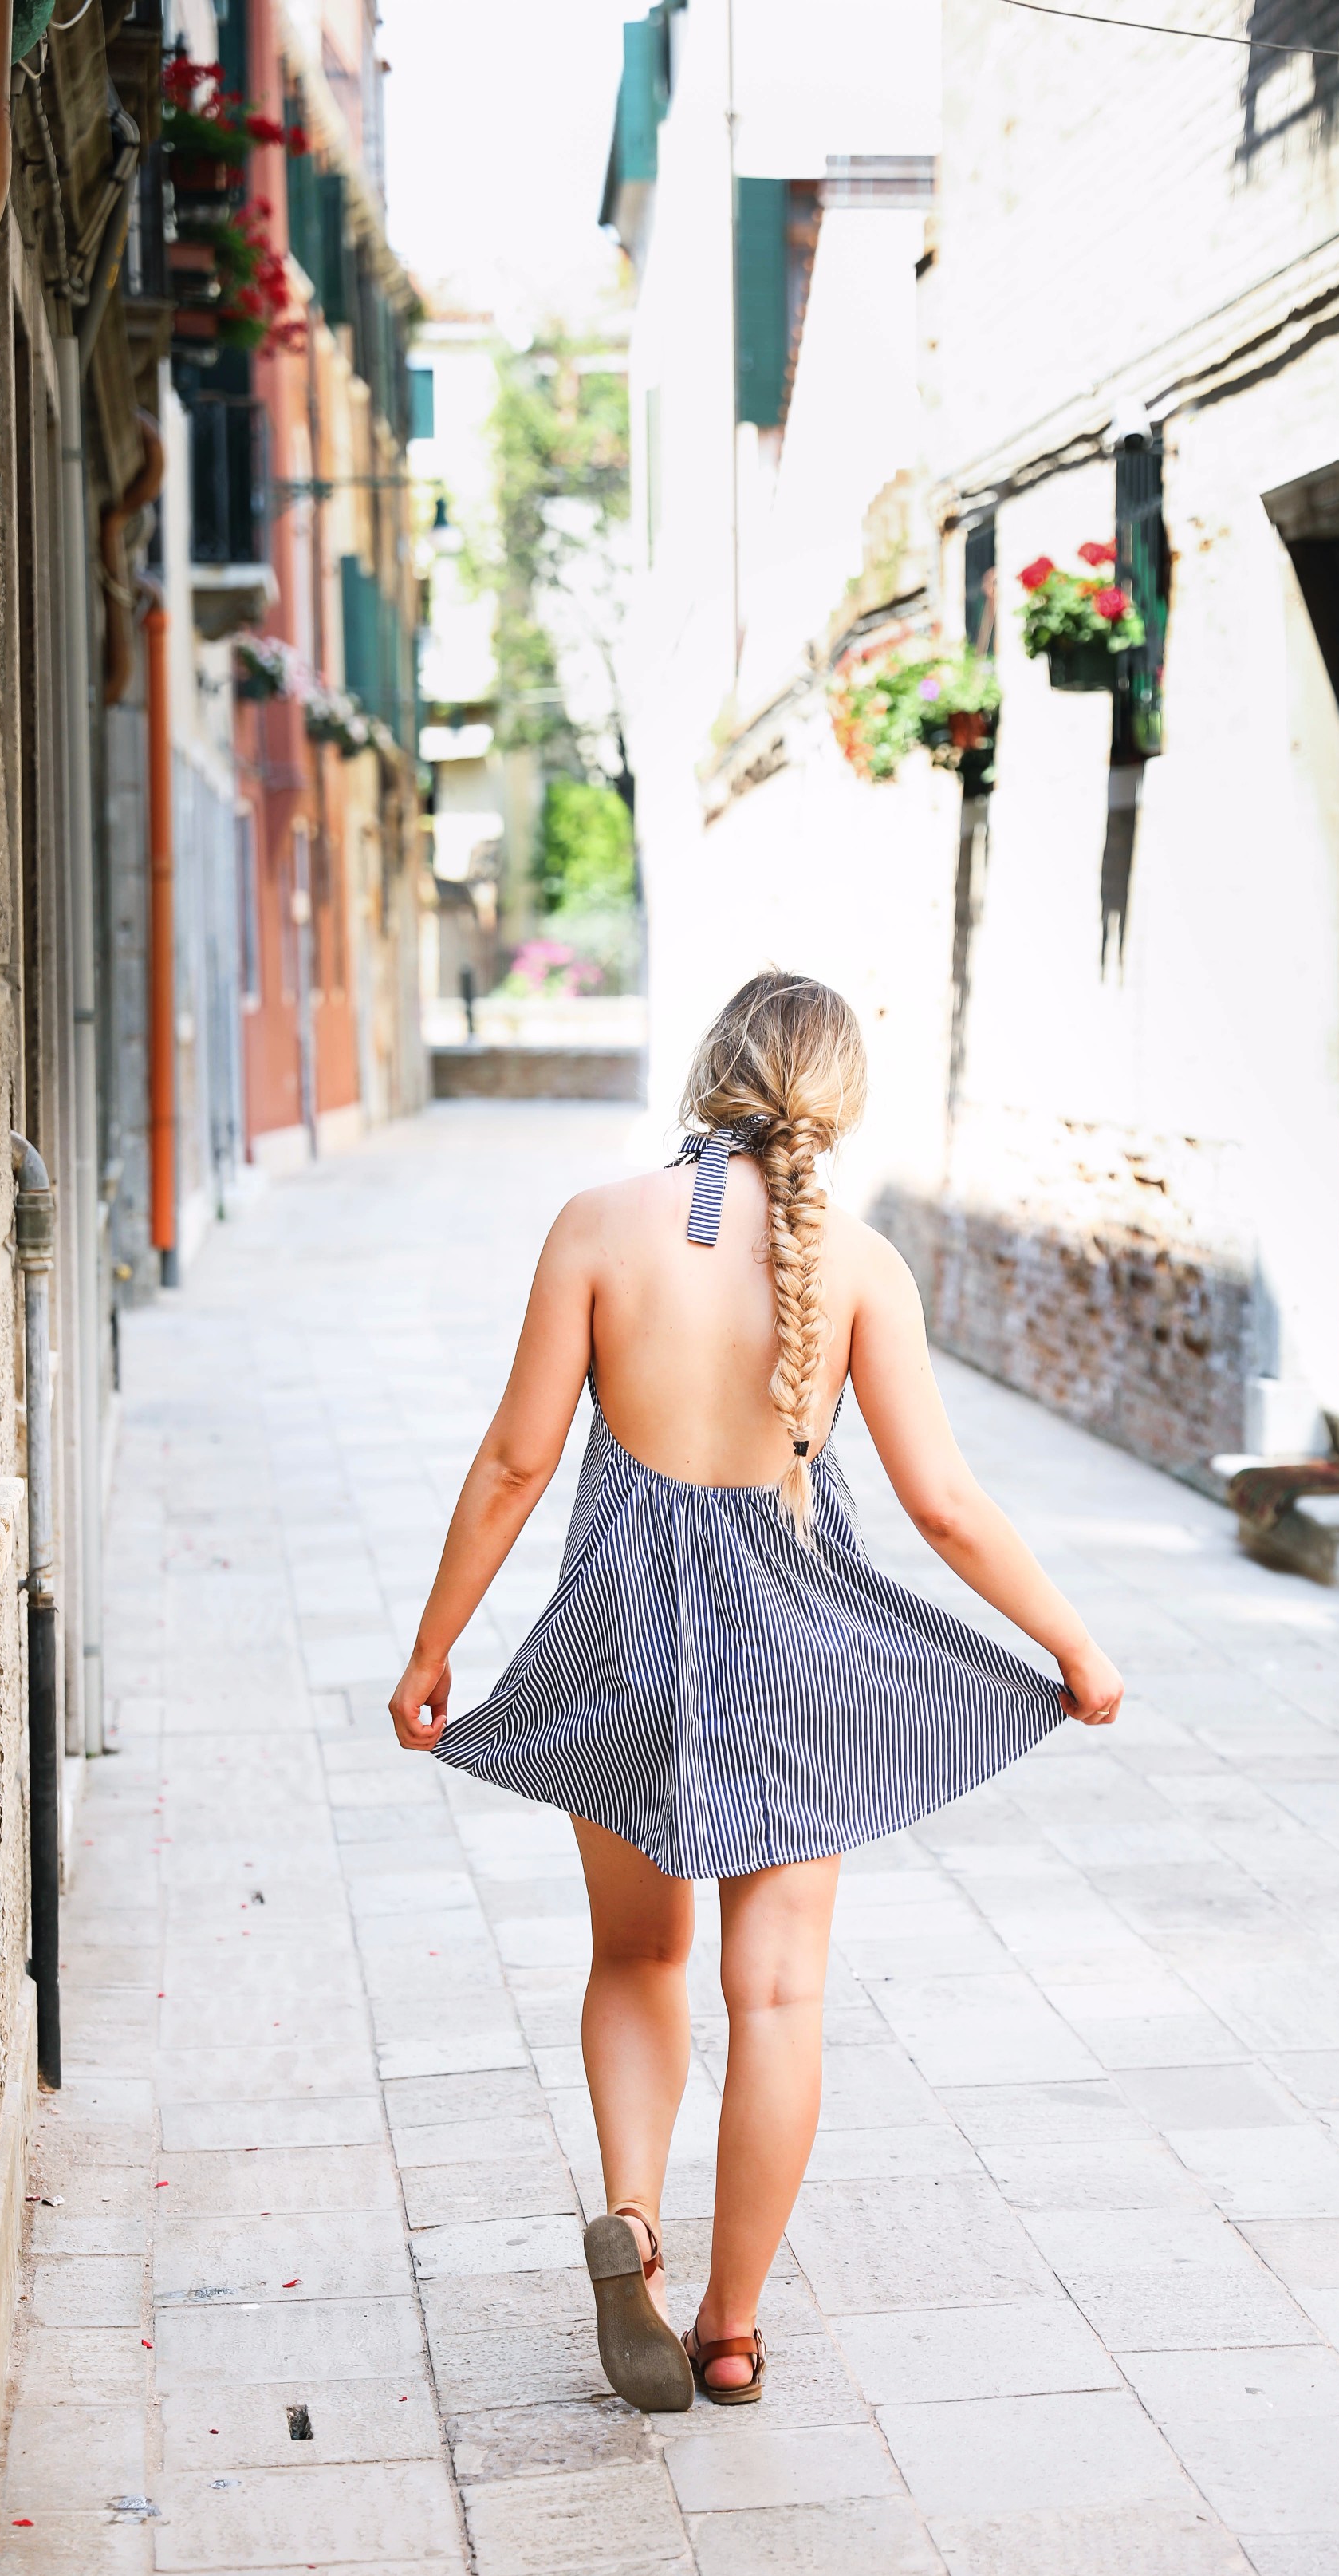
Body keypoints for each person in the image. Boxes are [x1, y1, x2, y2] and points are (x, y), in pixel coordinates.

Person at [389, 971, 1124, 2411]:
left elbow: (515, 1464)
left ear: (708, 1073)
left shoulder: (596, 1228)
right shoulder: (856, 1266)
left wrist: (435, 1650)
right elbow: (950, 1507)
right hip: (792, 1661)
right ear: (836, 1104)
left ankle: (633, 2223)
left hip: (620, 1641)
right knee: (777, 1994)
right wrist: (1075, 1646)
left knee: (635, 1961)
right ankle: (727, 2331)